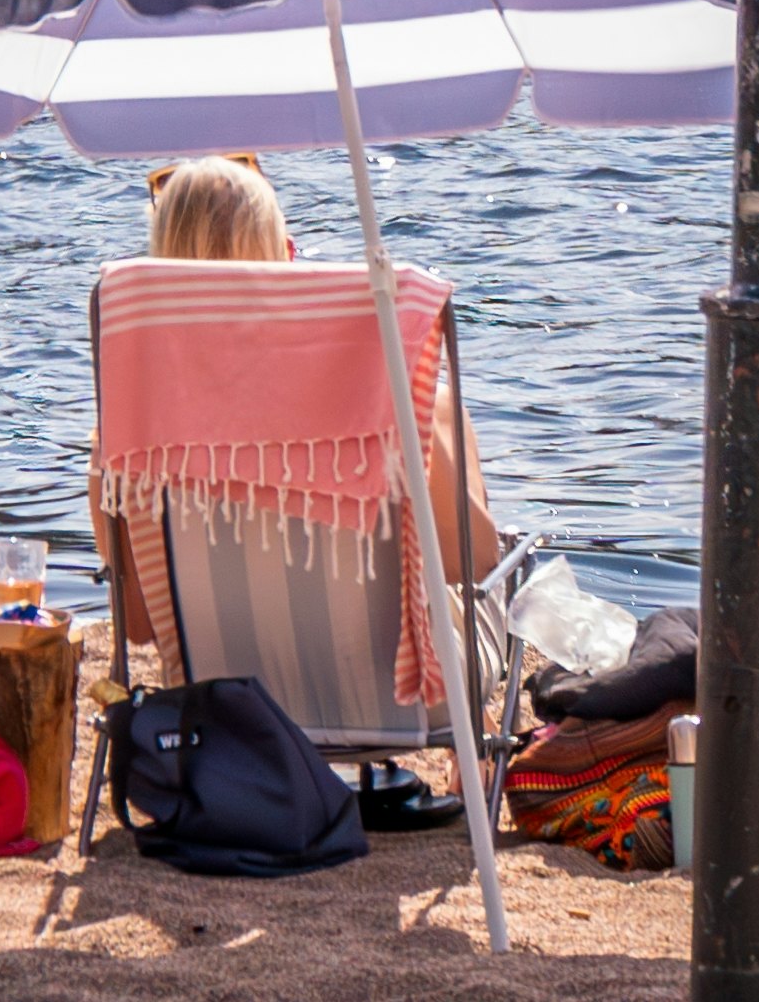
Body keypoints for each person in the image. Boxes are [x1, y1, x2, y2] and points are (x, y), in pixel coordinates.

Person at [101, 153, 497, 672]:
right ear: (283, 259)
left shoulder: (129, 429)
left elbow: (138, 624)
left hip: (221, 696)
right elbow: (475, 562)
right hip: (398, 689)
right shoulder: (411, 403)